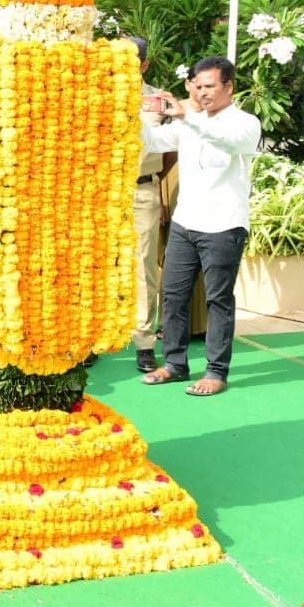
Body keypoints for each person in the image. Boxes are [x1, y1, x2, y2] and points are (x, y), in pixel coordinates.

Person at [139, 55, 260, 396]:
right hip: (184, 222)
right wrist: (130, 111)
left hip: (224, 225)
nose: (203, 93)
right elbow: (152, 142)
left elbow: (227, 141)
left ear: (229, 86)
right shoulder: (188, 122)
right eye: (198, 86)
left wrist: (188, 116)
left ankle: (216, 372)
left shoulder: (245, 123)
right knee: (173, 295)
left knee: (218, 300)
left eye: (210, 86)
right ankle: (175, 365)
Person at [132, 38, 172, 373]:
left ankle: (144, 343)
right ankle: (89, 341)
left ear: (144, 64)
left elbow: (172, 149)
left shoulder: (156, 100)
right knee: (93, 267)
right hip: (100, 192)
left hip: (142, 190)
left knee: (144, 268)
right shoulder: (93, 95)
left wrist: (158, 186)